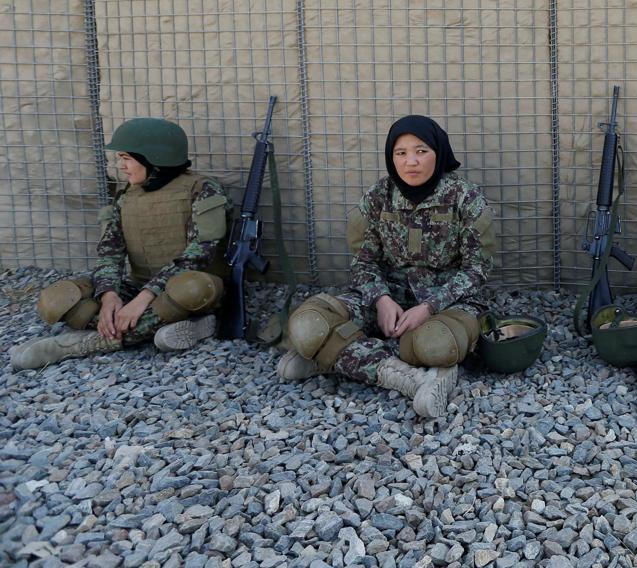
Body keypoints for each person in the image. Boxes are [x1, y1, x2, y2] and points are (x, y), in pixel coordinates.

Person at [277, 116, 496, 418]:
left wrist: (428, 307)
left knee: (436, 346)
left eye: (421, 151)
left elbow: (476, 270)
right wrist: (381, 299)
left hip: (447, 303)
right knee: (306, 325)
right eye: (401, 153)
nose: (411, 162)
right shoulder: (378, 197)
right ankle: (412, 379)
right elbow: (363, 261)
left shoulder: (466, 199)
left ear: (439, 152)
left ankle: (329, 354)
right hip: (387, 297)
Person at [11, 119, 229, 370]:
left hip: (192, 291)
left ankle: (89, 342)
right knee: (56, 299)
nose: (121, 166)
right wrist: (109, 296)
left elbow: (198, 255)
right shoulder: (127, 195)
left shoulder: (203, 190)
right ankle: (170, 327)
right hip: (139, 286)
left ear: (154, 158)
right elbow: (109, 253)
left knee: (191, 287)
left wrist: (144, 298)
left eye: (126, 158)